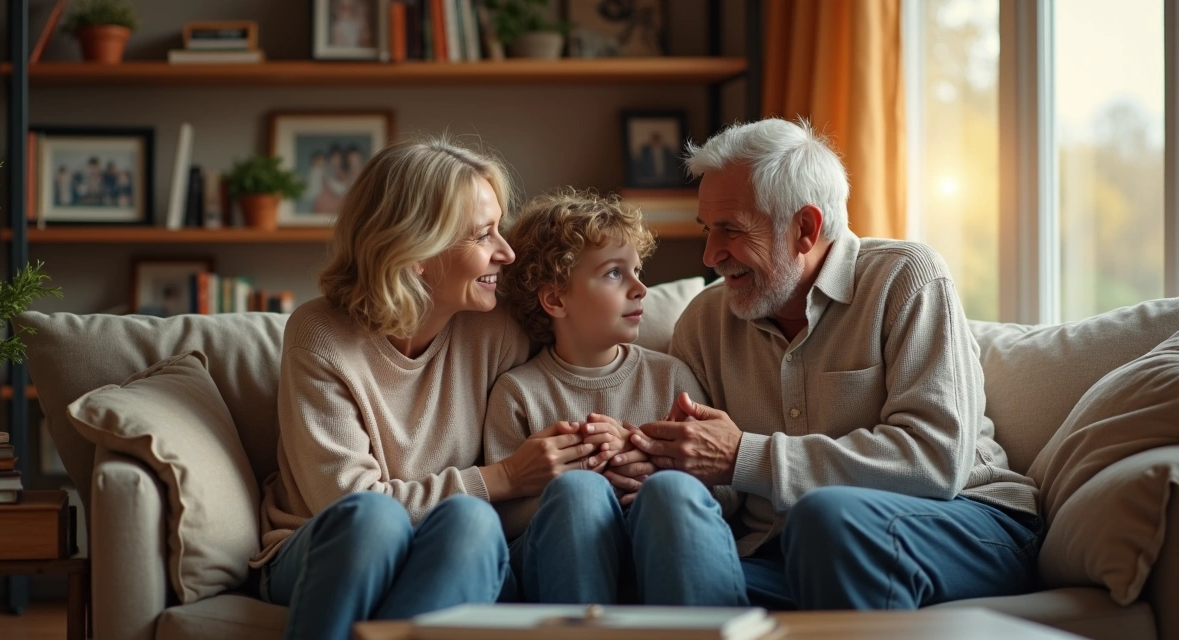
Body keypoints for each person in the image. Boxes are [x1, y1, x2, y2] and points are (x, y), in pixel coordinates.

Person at [600, 117, 1043, 609]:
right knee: (657, 560)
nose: (710, 255)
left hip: (965, 520)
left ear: (805, 228)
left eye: (731, 229)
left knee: (824, 516)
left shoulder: (906, 278)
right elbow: (718, 481)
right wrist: (654, 466)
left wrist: (744, 456)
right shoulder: (705, 321)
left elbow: (936, 460)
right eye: (707, 230)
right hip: (781, 548)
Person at [250, 138, 602, 640]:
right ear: (417, 252)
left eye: (499, 229)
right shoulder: (321, 336)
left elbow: (586, 358)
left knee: (471, 522)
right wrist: (503, 476)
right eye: (483, 235)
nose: (506, 252)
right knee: (375, 520)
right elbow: (347, 502)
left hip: (454, 549)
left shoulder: (499, 327)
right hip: (330, 548)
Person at [486, 189, 739, 604]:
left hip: (657, 550)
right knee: (580, 493)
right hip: (560, 556)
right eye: (614, 273)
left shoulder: (672, 376)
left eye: (637, 270)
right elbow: (503, 514)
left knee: (670, 491)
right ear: (555, 299)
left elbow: (727, 495)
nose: (640, 288)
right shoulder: (517, 393)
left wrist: (654, 469)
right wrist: (593, 479)